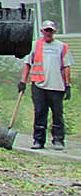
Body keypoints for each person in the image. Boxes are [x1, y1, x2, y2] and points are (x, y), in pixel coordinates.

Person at [18, 20, 72, 150]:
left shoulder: (62, 46)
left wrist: (68, 85)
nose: (48, 33)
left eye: (50, 31)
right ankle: (38, 140)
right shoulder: (35, 45)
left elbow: (66, 67)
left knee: (57, 114)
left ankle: (58, 140)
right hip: (39, 85)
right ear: (42, 31)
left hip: (57, 87)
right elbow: (27, 64)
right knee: (40, 113)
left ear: (54, 32)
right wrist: (23, 81)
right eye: (46, 30)